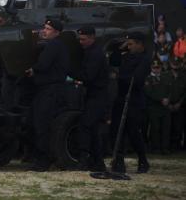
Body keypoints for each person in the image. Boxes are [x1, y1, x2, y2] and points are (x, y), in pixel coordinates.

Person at [25, 19, 69, 171]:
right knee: (38, 123)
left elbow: (43, 65)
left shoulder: (54, 45)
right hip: (48, 89)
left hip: (50, 89)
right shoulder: (56, 45)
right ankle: (41, 157)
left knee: (42, 125)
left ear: (57, 32)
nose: (45, 31)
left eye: (48, 29)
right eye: (45, 28)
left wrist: (32, 70)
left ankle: (44, 160)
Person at [111, 32, 151, 173]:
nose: (128, 47)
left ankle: (143, 160)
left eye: (131, 44)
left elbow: (137, 79)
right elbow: (113, 61)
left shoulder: (145, 59)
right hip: (121, 97)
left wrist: (119, 76)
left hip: (134, 99)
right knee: (117, 130)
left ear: (140, 44)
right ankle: (119, 162)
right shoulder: (126, 56)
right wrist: (119, 48)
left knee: (133, 132)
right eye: (127, 44)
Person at [72, 26, 109, 172]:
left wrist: (71, 72)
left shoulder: (95, 54)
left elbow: (89, 76)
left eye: (84, 39)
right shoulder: (90, 52)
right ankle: (98, 162)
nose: (81, 42)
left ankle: (84, 159)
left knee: (85, 125)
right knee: (92, 129)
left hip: (98, 96)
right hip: (93, 95)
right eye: (80, 39)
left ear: (92, 37)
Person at [145, 60, 171, 154]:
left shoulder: (165, 77)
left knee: (166, 128)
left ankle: (165, 148)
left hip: (165, 107)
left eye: (158, 67)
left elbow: (170, 90)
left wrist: (168, 99)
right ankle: (155, 148)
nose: (156, 70)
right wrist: (161, 99)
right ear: (151, 68)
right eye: (154, 68)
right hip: (154, 107)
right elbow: (149, 92)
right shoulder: (148, 79)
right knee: (155, 129)